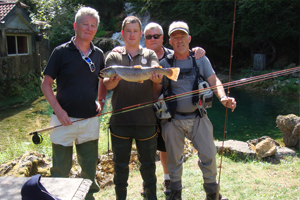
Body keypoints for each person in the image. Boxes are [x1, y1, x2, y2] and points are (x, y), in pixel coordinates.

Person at [112, 22, 206, 196]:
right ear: (143, 38)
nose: (153, 39)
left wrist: (197, 50)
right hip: (146, 111)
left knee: (164, 148)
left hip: (167, 110)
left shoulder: (172, 55)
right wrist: (120, 49)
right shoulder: (138, 54)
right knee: (146, 153)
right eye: (149, 36)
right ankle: (147, 184)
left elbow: (187, 53)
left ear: (163, 38)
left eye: (156, 36)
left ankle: (167, 179)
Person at [158, 21, 236, 200]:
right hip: (172, 120)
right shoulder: (164, 63)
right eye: (175, 37)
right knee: (174, 160)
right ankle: (175, 194)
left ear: (189, 38)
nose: (179, 40)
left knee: (209, 155)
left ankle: (212, 193)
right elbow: (156, 91)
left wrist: (223, 98)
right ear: (170, 41)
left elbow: (214, 81)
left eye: (182, 36)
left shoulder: (200, 59)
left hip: (198, 116)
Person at [41, 7, 107, 200]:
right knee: (60, 169)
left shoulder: (99, 54)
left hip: (89, 120)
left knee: (89, 169)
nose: (89, 28)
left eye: (93, 25)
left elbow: (103, 80)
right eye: (85, 24)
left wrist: (102, 101)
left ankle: (88, 198)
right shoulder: (60, 52)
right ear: (75, 26)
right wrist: (59, 111)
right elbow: (46, 85)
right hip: (62, 120)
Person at [103, 16, 162, 200]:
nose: (131, 34)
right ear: (122, 33)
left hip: (146, 121)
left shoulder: (149, 54)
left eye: (135, 31)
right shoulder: (113, 56)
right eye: (128, 31)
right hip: (120, 122)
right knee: (120, 167)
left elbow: (157, 76)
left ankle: (151, 197)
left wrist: (158, 77)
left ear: (140, 34)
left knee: (148, 166)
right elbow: (107, 85)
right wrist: (112, 80)